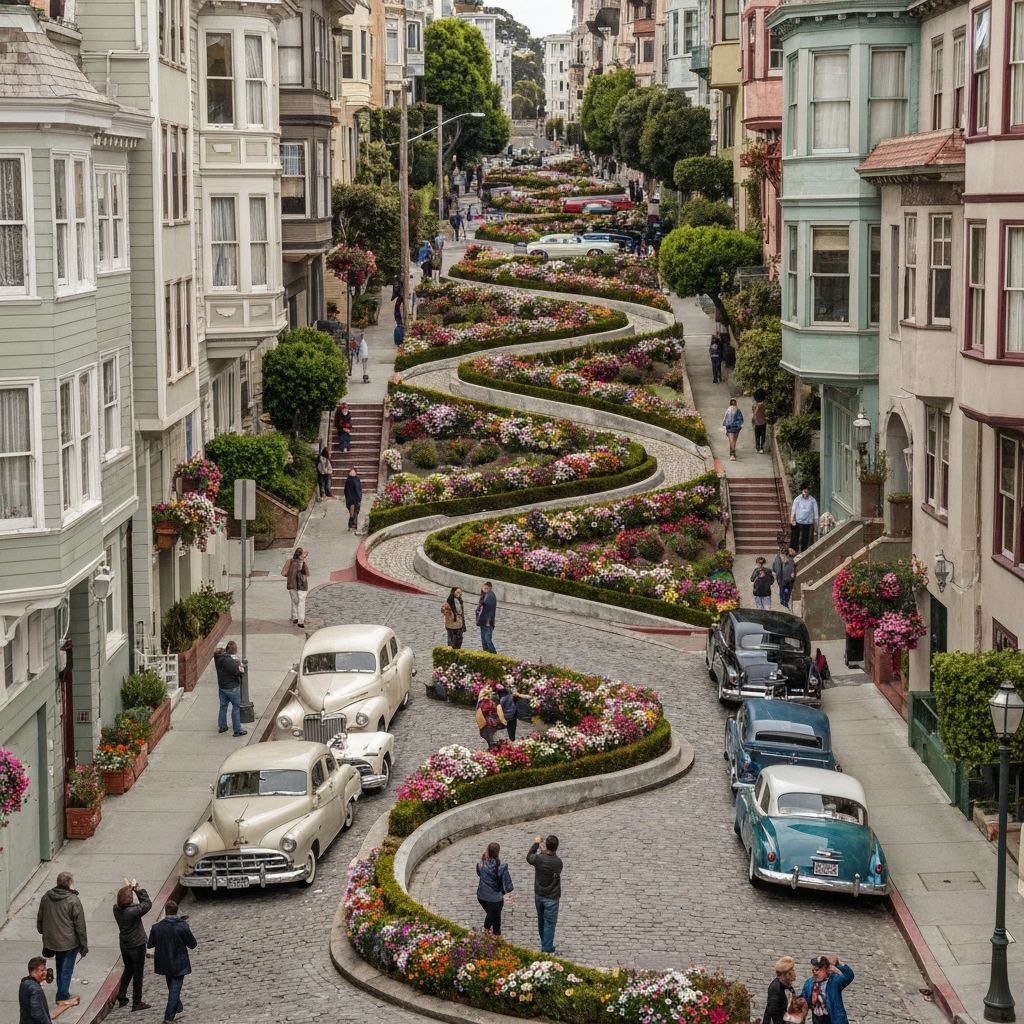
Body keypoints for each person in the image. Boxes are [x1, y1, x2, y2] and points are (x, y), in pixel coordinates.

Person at [36, 872, 87, 1008]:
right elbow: (80, 925)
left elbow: (40, 918)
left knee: (60, 965)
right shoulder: (73, 900)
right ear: (70, 883)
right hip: (69, 942)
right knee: (66, 968)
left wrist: (43, 932)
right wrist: (84, 945)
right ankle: (62, 996)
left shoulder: (46, 897)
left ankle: (61, 991)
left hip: (52, 940)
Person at [147, 900, 197, 1024]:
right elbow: (192, 944)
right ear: (176, 911)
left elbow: (150, 943)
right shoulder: (182, 926)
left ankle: (178, 1007)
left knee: (172, 985)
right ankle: (169, 1017)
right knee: (175, 989)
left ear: (165, 911)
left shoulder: (156, 927)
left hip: (164, 963)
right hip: (179, 963)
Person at [113, 881, 152, 1011]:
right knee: (138, 974)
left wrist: (131, 889)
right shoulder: (131, 912)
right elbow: (147, 904)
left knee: (128, 970)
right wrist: (137, 889)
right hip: (136, 945)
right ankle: (137, 1002)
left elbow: (137, 906)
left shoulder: (116, 909)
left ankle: (122, 995)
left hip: (125, 945)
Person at [527, 834, 562, 954]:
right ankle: (546, 948)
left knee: (541, 921)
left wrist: (536, 844)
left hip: (539, 894)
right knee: (549, 924)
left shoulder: (539, 859)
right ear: (556, 847)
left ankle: (545, 944)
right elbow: (551, 860)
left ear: (547, 845)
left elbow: (529, 857)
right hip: (551, 896)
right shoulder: (558, 862)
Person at [20, 957, 79, 1023]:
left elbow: (48, 1015)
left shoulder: (24, 983)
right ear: (33, 972)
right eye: (42, 970)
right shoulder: (36, 990)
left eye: (45, 969)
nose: (45, 972)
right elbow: (38, 1014)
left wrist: (69, 1004)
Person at [800, 955, 854, 1024]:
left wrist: (838, 964)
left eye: (817, 970)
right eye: (813, 970)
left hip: (834, 1019)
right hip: (818, 1020)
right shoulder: (809, 983)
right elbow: (804, 1000)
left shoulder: (834, 981)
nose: (814, 972)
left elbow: (849, 976)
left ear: (826, 969)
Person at [476, 841, 514, 935]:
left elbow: (479, 873)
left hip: (481, 896)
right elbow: (508, 885)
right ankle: (487, 931)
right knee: (493, 915)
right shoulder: (501, 867)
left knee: (494, 917)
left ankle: (495, 936)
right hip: (495, 899)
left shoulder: (481, 864)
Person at [214, 640, 247, 736]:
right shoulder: (228, 660)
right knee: (236, 708)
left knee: (223, 706)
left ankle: (222, 726)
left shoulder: (218, 657)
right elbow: (237, 671)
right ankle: (237, 730)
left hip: (222, 686)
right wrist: (239, 666)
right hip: (232, 687)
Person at [762, 955, 797, 1024]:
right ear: (787, 974)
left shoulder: (788, 986)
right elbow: (772, 1012)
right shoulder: (775, 988)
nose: (795, 973)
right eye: (792, 970)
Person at [283, 547, 309, 627]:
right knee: (299, 602)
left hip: (294, 584)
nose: (305, 556)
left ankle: (296, 618)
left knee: (296, 601)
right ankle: (299, 620)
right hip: (298, 585)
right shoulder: (297, 562)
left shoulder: (294, 562)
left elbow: (307, 573)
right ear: (299, 554)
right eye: (303, 554)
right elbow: (284, 572)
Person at [790, 484, 819, 553]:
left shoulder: (812, 500)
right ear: (802, 491)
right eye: (805, 492)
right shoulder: (797, 499)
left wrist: (816, 523)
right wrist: (792, 519)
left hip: (807, 522)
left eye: (807, 492)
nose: (806, 493)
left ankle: (803, 551)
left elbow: (816, 512)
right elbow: (793, 510)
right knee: (795, 536)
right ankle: (794, 549)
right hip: (798, 521)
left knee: (805, 538)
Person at [476, 581, 497, 653]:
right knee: (484, 640)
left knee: (487, 640)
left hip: (487, 622)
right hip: (483, 621)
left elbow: (486, 606)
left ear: (490, 588)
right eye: (483, 587)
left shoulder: (490, 595)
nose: (484, 589)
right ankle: (487, 654)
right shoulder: (484, 595)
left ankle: (494, 655)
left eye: (486, 588)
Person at [344, 466, 362, 532]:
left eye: (353, 472)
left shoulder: (357, 479)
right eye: (351, 472)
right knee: (352, 514)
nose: (352, 473)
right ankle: (350, 525)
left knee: (356, 513)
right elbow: (346, 491)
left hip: (357, 499)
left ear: (356, 473)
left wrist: (359, 498)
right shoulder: (348, 481)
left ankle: (354, 526)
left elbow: (359, 489)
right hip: (350, 500)